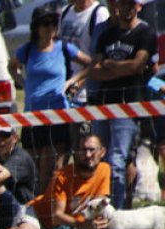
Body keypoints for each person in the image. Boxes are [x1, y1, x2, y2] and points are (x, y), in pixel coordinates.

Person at [11, 4, 91, 194]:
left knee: (51, 170)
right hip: (32, 116)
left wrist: (72, 81)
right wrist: (23, 82)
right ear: (36, 28)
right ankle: (38, 211)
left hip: (57, 115)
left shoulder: (64, 48)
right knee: (34, 171)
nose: (50, 28)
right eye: (45, 24)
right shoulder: (28, 50)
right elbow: (11, 67)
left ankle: (49, 213)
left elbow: (91, 64)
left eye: (53, 23)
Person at [87, 0, 153, 209]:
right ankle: (102, 209)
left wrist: (109, 65)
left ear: (139, 7)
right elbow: (93, 70)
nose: (125, 8)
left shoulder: (145, 33)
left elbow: (137, 65)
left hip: (129, 105)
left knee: (118, 161)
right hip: (104, 104)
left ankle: (119, 211)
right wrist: (119, 68)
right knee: (101, 161)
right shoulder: (107, 34)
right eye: (122, 3)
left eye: (130, 4)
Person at [24, 133, 111, 229]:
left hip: (66, 226)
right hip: (38, 216)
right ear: (76, 153)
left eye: (92, 150)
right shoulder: (62, 176)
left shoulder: (104, 169)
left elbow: (98, 207)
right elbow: (57, 216)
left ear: (102, 152)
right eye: (83, 150)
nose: (88, 154)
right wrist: (84, 226)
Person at [59, 0, 109, 107]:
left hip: (84, 94)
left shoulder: (99, 13)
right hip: (64, 91)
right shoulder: (65, 12)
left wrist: (77, 84)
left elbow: (100, 59)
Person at [0, 126, 38, 207]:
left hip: (25, 208)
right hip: (2, 207)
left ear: (15, 138)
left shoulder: (21, 157)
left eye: (5, 135)